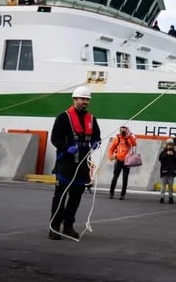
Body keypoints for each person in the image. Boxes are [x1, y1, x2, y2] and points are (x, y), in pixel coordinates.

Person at [49, 86, 101, 240]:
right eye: (82, 99)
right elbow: (55, 139)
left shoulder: (92, 119)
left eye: (87, 99)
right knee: (60, 197)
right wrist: (66, 148)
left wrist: (96, 143)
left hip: (82, 165)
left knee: (75, 198)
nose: (84, 102)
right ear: (75, 99)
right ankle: (54, 227)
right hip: (66, 163)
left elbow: (97, 136)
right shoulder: (63, 118)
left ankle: (68, 226)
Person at [107, 125, 137, 200]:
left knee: (125, 178)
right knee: (115, 177)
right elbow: (111, 149)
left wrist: (129, 135)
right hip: (118, 160)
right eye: (122, 130)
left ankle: (122, 194)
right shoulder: (117, 138)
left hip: (127, 161)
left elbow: (134, 144)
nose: (123, 131)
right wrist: (111, 157)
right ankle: (111, 192)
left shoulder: (129, 138)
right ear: (120, 131)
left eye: (125, 130)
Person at [158, 138, 176, 203]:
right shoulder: (163, 152)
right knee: (163, 186)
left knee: (170, 186)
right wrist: (166, 153)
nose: (170, 146)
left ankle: (170, 197)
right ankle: (162, 197)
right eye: (169, 145)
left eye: (171, 145)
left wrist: (174, 154)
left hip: (171, 172)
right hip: (164, 171)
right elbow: (160, 159)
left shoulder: (175, 152)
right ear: (166, 145)